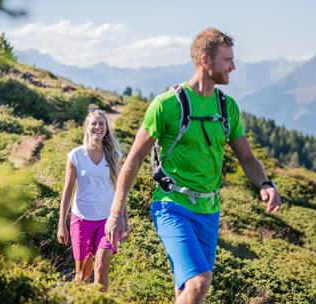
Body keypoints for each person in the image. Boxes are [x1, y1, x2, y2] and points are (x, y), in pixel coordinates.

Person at [105, 27, 281, 303]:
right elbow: (134, 159)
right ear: (205, 60)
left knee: (186, 290)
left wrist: (265, 183)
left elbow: (246, 157)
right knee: (200, 283)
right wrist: (117, 211)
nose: (233, 67)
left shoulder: (227, 108)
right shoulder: (166, 105)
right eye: (227, 61)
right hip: (171, 206)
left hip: (209, 211)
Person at [57, 109, 126, 291]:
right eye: (94, 123)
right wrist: (61, 223)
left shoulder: (114, 155)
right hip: (81, 220)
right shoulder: (75, 156)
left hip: (107, 221)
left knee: (101, 268)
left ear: (106, 129)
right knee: (82, 275)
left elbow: (121, 190)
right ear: (86, 127)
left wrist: (124, 219)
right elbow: (68, 190)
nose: (98, 127)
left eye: (101, 124)